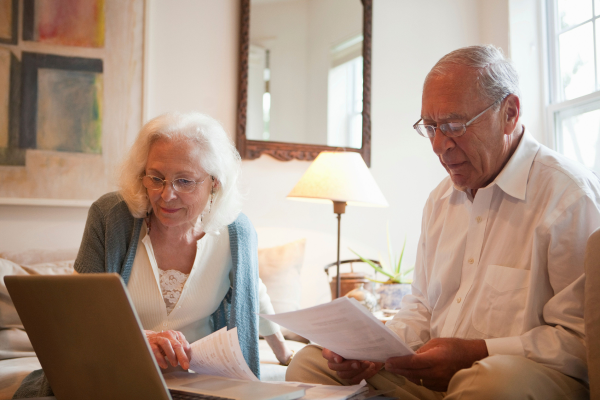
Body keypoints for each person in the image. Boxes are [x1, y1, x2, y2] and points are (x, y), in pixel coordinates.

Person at [286, 45, 600, 399]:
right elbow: (421, 306)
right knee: (310, 363)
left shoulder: (569, 196)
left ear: (509, 113)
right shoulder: (440, 200)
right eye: (430, 127)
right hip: (434, 381)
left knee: (486, 381)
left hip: (530, 379)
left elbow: (583, 341)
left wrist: (479, 353)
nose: (438, 145)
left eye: (453, 126)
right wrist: (373, 354)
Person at [14, 112, 292, 398]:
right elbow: (78, 316)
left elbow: (252, 293)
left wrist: (285, 357)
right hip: (117, 372)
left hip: (198, 382)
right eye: (156, 178)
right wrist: (140, 340)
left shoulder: (236, 232)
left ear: (215, 182)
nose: (166, 194)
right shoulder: (110, 217)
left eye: (184, 181)